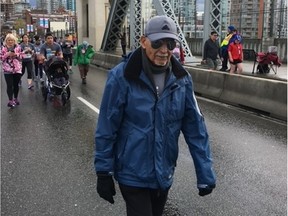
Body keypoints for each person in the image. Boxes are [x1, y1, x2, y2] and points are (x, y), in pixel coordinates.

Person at [94, 15, 216, 216]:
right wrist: (103, 171)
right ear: (143, 41)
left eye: (170, 43)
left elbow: (196, 128)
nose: (164, 50)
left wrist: (205, 173)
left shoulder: (182, 79)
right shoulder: (121, 77)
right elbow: (107, 126)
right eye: (158, 42)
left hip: (164, 172)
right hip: (132, 173)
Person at [0, 33, 23, 107]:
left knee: (16, 85)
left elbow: (23, 56)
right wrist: (7, 54)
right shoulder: (3, 48)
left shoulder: (18, 47)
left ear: (14, 41)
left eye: (12, 40)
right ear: (6, 41)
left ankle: (15, 98)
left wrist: (16, 55)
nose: (10, 42)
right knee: (9, 85)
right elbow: (1, 58)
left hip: (17, 69)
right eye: (9, 40)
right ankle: (10, 100)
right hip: (7, 69)